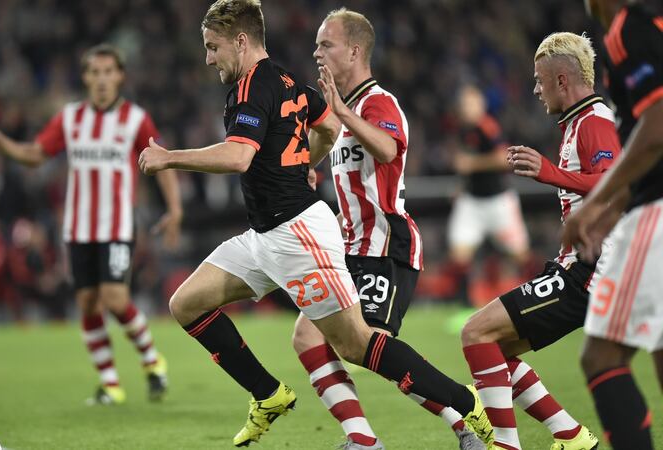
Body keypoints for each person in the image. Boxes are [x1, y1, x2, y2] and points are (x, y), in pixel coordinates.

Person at [139, 1, 492, 448]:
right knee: (186, 304)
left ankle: (466, 404)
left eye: (213, 47)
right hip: (265, 235)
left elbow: (238, 156)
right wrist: (304, 162)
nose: (209, 58)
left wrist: (170, 157)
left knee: (356, 344)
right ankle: (268, 395)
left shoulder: (251, 88)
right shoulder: (293, 84)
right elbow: (324, 129)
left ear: (241, 41)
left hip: (299, 233)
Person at [292, 8, 484, 450]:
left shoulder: (378, 103)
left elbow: (385, 147)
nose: (316, 51)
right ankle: (363, 438)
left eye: (326, 44)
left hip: (385, 246)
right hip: (348, 248)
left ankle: (465, 414)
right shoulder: (342, 115)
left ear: (355, 50)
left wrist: (342, 112)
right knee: (307, 335)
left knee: (369, 348)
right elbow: (344, 169)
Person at [0, 43, 182, 404]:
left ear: (120, 76)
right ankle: (110, 384)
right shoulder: (70, 119)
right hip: (79, 229)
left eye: (108, 71)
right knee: (88, 304)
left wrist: (174, 209)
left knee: (115, 297)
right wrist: (2, 143)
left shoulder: (136, 119)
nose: (101, 79)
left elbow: (161, 161)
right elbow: (36, 154)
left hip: (117, 227)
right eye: (94, 72)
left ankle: (152, 361)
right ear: (85, 77)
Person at [461, 32, 620, 450]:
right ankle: (570, 435)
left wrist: (550, 172)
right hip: (577, 267)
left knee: (476, 333)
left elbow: (613, 183)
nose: (535, 89)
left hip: (589, 273)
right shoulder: (578, 123)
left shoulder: (595, 121)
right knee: (495, 349)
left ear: (562, 80)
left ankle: (506, 444)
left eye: (539, 80)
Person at [563, 2, 663, 449]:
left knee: (601, 354)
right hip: (644, 200)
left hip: (657, 211)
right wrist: (608, 212)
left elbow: (657, 129)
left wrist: (593, 204)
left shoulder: (625, 29)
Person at [447, 85, 533, 305]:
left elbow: (504, 158)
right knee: (459, 255)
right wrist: (461, 185)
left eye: (471, 104)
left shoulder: (488, 126)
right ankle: (467, 301)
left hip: (498, 201)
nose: (467, 108)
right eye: (464, 104)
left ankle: (530, 297)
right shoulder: (462, 129)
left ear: (481, 105)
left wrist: (472, 165)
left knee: (521, 255)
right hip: (472, 201)